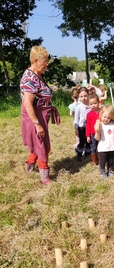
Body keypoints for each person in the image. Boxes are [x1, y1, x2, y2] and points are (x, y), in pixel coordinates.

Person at [20, 45, 60, 185]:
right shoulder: (30, 78)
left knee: (39, 144)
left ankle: (29, 166)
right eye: (45, 62)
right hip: (34, 117)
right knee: (43, 146)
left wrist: (49, 105)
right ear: (36, 61)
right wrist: (37, 124)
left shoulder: (38, 75)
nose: (47, 65)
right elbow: (28, 104)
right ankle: (45, 178)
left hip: (42, 114)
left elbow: (41, 97)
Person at [94, 105, 114, 178]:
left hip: (111, 146)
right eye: (104, 117)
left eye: (108, 118)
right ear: (101, 115)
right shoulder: (100, 125)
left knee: (111, 160)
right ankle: (102, 170)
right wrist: (97, 131)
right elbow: (97, 138)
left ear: (112, 117)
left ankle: (110, 169)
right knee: (103, 161)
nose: (106, 119)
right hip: (102, 147)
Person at [74, 87, 91, 162]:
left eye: (85, 96)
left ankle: (88, 152)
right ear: (78, 97)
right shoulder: (79, 107)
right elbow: (76, 119)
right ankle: (79, 154)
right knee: (82, 141)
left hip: (90, 127)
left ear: (88, 95)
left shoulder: (91, 105)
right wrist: (76, 128)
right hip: (82, 127)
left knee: (89, 141)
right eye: (81, 96)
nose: (83, 98)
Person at [86, 93, 101, 165]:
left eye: (95, 103)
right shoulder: (89, 114)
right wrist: (88, 136)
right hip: (93, 134)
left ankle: (101, 159)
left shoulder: (102, 112)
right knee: (94, 147)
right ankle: (94, 160)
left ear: (98, 102)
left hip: (101, 133)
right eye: (91, 104)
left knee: (101, 146)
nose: (93, 105)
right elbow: (88, 125)